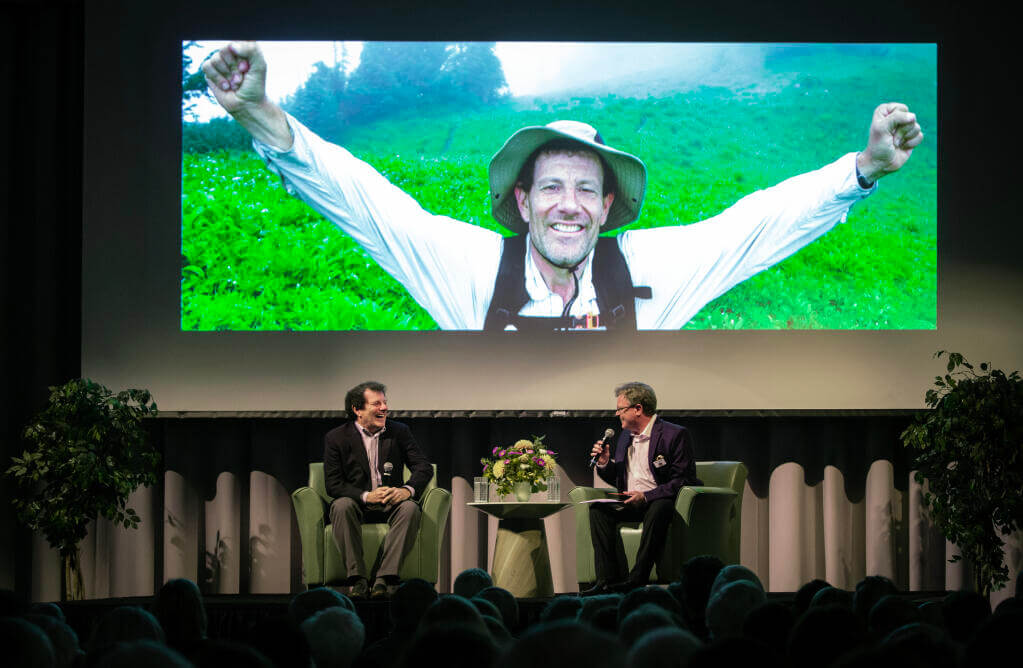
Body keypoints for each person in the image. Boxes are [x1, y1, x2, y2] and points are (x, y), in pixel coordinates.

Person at [202, 42, 924, 331]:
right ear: (521, 202)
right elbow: (366, 203)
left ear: (608, 206)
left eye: (586, 189)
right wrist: (260, 114)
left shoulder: (652, 265)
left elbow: (757, 224)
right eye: (550, 187)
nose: (568, 206)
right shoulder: (467, 266)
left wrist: (861, 169)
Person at [583, 382, 701, 594]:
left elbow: (683, 479)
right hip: (631, 502)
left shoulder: (674, 434)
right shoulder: (625, 437)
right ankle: (607, 581)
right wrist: (604, 463)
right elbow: (619, 476)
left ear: (638, 409)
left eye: (620, 409)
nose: (617, 414)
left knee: (660, 507)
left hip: (660, 502)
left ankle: (637, 578)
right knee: (598, 511)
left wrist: (646, 496)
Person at [324, 381, 433, 599]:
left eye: (385, 402)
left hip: (391, 503)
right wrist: (366, 496)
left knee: (410, 508)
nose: (384, 408)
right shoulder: (336, 437)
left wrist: (406, 490)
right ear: (358, 409)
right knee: (341, 505)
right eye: (376, 404)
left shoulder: (399, 431)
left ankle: (384, 579)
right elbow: (333, 484)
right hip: (357, 503)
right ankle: (358, 580)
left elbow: (423, 467)